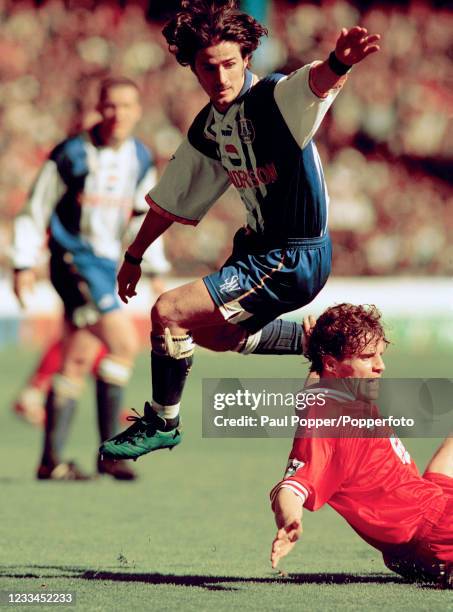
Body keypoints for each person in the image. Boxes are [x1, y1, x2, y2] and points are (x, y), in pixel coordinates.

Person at [99, 0, 380, 462]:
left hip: (292, 254)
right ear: (193, 67)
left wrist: (340, 62)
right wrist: (134, 254)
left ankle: (163, 421)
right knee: (209, 335)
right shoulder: (210, 128)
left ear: (247, 59)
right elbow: (172, 196)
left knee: (168, 311)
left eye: (230, 64)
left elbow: (313, 84)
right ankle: (317, 343)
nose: (221, 77)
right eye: (209, 67)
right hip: (260, 250)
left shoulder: (274, 100)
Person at [11, 76, 159, 481]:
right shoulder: (72, 154)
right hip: (74, 261)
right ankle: (111, 454)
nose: (117, 114)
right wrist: (23, 263)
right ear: (99, 107)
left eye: (126, 106)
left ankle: (52, 462)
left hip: (105, 266)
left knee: (76, 359)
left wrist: (154, 264)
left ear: (137, 110)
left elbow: (146, 215)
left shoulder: (140, 158)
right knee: (123, 342)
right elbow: (35, 207)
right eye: (110, 105)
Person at [270, 303, 453, 588]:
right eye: (368, 357)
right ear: (332, 364)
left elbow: (311, 393)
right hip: (431, 526)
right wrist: (290, 519)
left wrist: (315, 356)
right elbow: (292, 486)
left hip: (423, 509)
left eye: (380, 355)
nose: (381, 366)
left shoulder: (330, 397)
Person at [12, 242, 171, 427]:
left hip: (96, 266)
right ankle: (36, 394)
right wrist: (24, 264)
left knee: (85, 338)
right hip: (79, 262)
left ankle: (39, 397)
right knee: (118, 341)